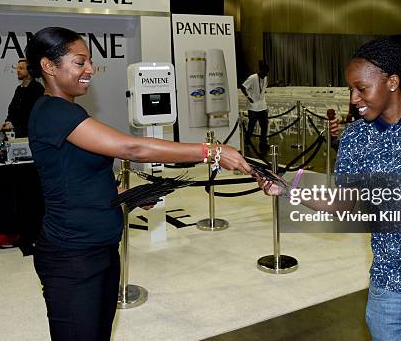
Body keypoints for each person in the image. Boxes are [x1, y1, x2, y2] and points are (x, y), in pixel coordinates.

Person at [26, 27, 252, 341]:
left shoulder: (70, 111)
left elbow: (78, 179)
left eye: (90, 61)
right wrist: (210, 151)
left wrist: (125, 196)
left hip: (101, 248)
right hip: (72, 257)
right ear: (49, 66)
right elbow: (132, 148)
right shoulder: (53, 111)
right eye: (80, 62)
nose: (90, 69)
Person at [261, 38, 401, 341]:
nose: (354, 98)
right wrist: (288, 190)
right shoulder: (355, 138)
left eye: (361, 88)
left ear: (392, 82)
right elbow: (341, 205)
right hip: (388, 293)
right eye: (350, 89)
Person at [0, 59, 44, 138]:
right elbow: (12, 109)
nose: (17, 71)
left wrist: (12, 124)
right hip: (19, 133)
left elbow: (30, 112)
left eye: (21, 68)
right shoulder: (19, 89)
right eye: (17, 68)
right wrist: (8, 122)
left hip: (31, 135)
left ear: (30, 71)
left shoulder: (37, 89)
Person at [240, 61, 269, 151]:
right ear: (261, 70)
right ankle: (247, 142)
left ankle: (263, 143)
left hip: (263, 106)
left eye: (266, 73)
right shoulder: (252, 78)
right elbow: (242, 87)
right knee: (251, 127)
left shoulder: (265, 78)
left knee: (264, 126)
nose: (265, 75)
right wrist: (249, 97)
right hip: (253, 107)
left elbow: (263, 89)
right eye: (264, 73)